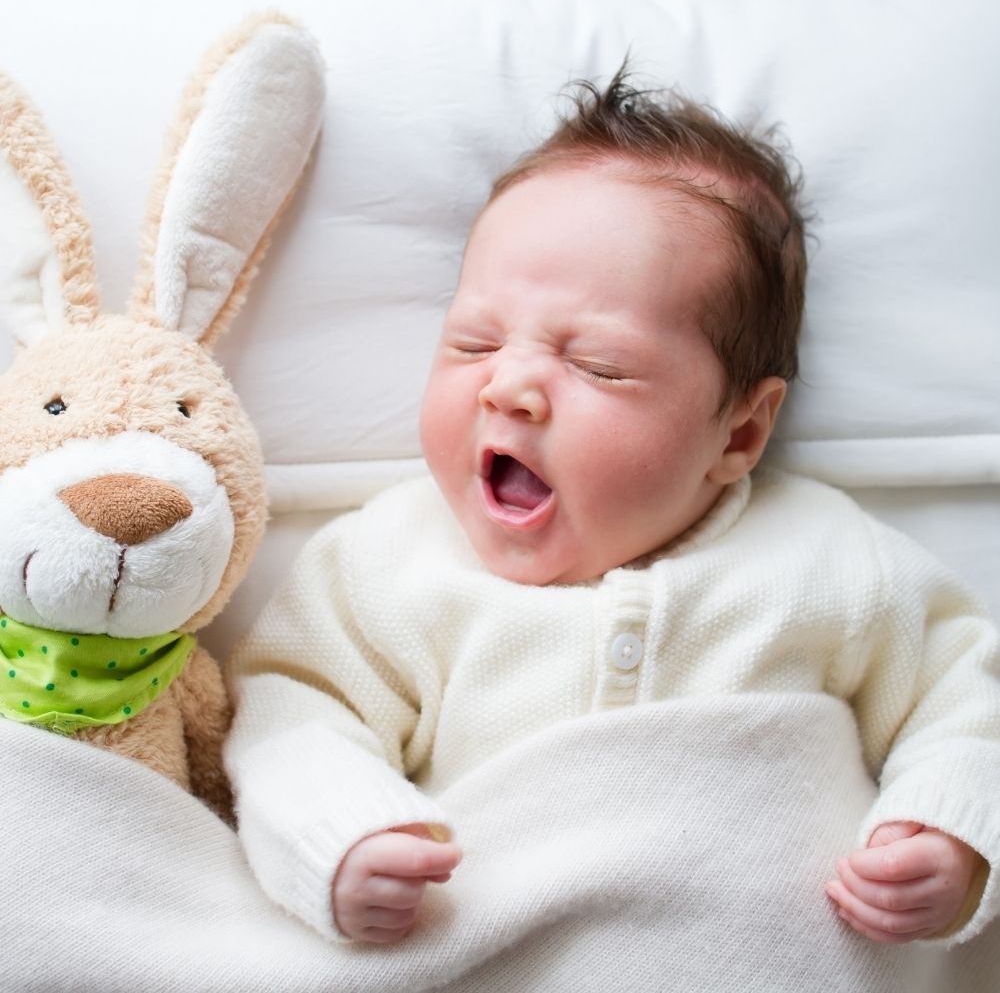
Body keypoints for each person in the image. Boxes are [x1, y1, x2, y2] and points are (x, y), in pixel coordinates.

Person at [224, 70, 998, 948]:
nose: (509, 384)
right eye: (474, 342)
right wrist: (342, 835)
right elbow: (294, 716)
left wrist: (952, 830)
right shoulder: (386, 565)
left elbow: (968, 705)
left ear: (739, 434)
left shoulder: (832, 560)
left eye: (597, 365)